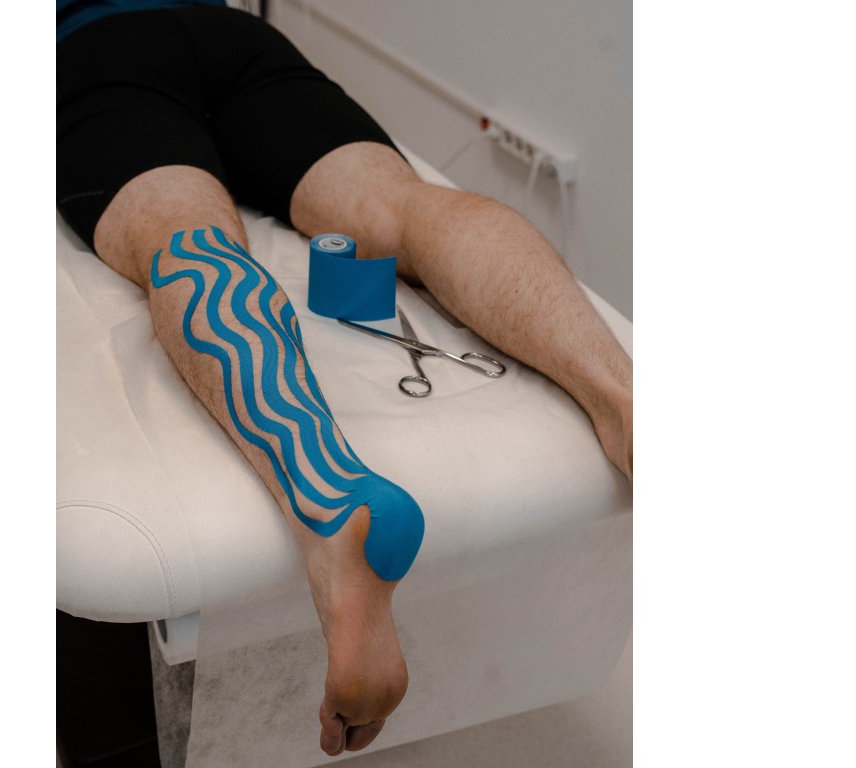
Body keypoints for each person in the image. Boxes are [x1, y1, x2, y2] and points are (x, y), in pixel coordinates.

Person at [57, 1, 633, 756]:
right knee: (411, 209)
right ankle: (627, 400)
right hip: (230, 36)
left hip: (92, 44)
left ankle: (330, 497)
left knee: (187, 239)